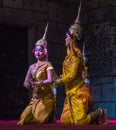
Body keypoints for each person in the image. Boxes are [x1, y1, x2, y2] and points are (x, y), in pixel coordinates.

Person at [55, 0, 108, 125]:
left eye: (67, 36)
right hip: (70, 92)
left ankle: (100, 112)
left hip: (78, 91)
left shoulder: (76, 55)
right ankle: (91, 114)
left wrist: (59, 80)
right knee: (66, 120)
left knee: (80, 122)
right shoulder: (68, 56)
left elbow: (72, 74)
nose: (65, 39)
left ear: (73, 37)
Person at [17, 22, 56, 125]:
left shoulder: (47, 64)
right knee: (23, 119)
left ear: (44, 52)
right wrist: (28, 83)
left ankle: (49, 113)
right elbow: (26, 83)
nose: (38, 52)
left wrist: (38, 83)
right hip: (35, 99)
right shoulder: (32, 67)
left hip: (46, 99)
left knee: (39, 120)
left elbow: (50, 80)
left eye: (40, 50)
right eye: (36, 50)